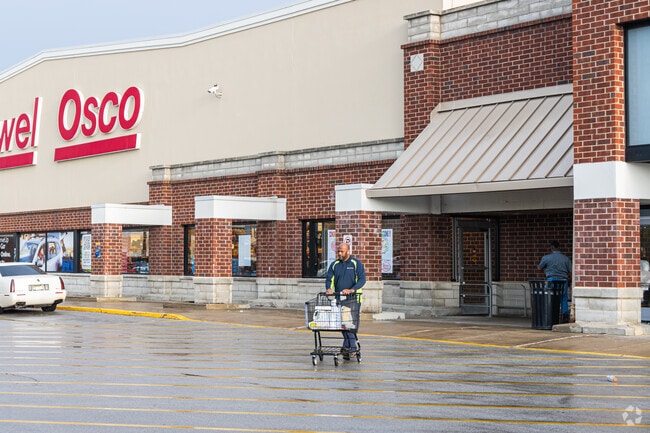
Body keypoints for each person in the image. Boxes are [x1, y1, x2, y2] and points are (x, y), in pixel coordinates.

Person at [325, 242, 365, 359]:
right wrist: (329, 289)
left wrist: (352, 289)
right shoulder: (335, 264)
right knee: (342, 324)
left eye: (342, 251)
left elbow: (362, 279)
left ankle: (351, 347)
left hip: (353, 299)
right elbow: (329, 278)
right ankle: (348, 347)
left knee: (350, 324)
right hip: (339, 299)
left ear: (348, 251)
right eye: (338, 251)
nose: (340, 253)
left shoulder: (355, 264)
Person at [538, 240, 572, 323]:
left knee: (549, 298)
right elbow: (570, 271)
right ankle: (564, 315)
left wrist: (545, 270)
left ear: (551, 247)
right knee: (563, 298)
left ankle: (549, 314)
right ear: (559, 247)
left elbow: (539, 267)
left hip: (551, 280)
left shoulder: (546, 258)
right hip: (563, 280)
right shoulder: (566, 258)